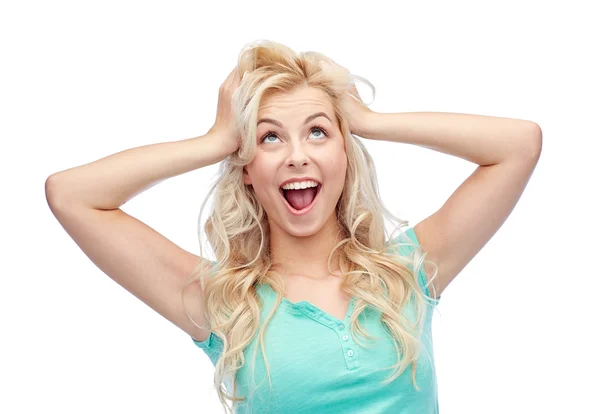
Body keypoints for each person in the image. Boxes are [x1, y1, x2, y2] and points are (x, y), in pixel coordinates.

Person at [46, 39, 542, 414]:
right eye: (269, 138)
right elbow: (72, 195)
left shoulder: (407, 272)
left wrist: (368, 120)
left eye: (318, 132)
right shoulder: (223, 303)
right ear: (246, 167)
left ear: (344, 154)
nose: (297, 156)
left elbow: (518, 144)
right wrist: (216, 139)